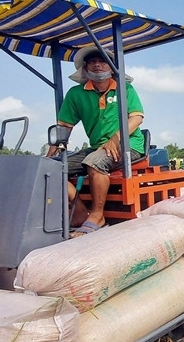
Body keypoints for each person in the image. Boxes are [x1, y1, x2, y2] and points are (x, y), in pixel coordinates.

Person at [46, 46, 145, 236]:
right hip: (97, 147)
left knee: (95, 162)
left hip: (129, 145)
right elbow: (65, 125)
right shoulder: (76, 94)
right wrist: (53, 147)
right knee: (49, 168)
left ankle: (98, 216)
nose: (97, 65)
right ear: (85, 68)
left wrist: (115, 139)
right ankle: (81, 213)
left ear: (111, 67)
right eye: (92, 62)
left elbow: (136, 118)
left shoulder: (125, 88)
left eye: (102, 61)